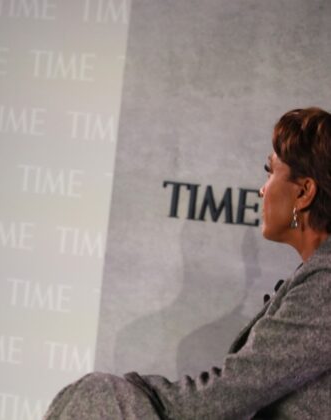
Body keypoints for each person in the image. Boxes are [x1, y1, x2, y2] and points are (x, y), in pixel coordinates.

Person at [44, 107, 331, 419]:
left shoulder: (325, 282)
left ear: (303, 192)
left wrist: (122, 392)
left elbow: (228, 393)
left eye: (270, 171)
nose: (262, 189)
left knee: (96, 396)